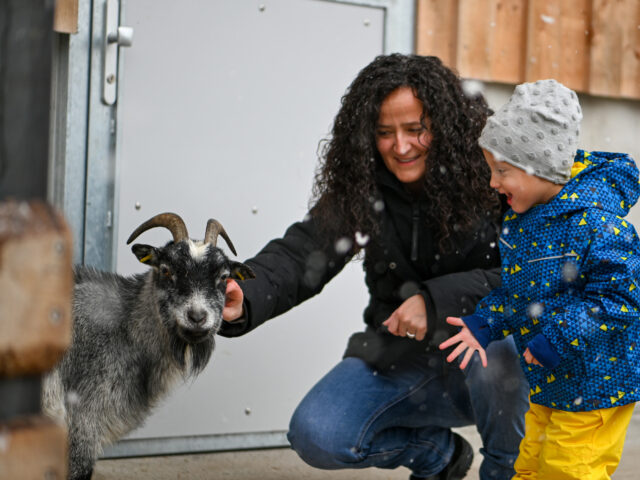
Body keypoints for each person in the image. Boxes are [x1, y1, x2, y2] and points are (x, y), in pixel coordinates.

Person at [221, 54, 529, 480]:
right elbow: (302, 251)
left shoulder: (495, 177)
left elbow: (533, 275)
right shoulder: (363, 188)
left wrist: (434, 301)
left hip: (488, 368)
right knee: (318, 433)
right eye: (385, 133)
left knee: (499, 347)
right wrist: (245, 292)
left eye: (415, 129)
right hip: (401, 358)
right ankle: (438, 456)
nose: (400, 147)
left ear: (443, 124)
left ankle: (506, 472)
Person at [440, 79, 640, 479]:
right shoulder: (525, 222)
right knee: (530, 465)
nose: (493, 183)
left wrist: (558, 335)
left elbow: (622, 299)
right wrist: (487, 321)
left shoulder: (597, 224)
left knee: (567, 471)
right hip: (551, 383)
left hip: (596, 385)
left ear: (539, 167)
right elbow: (520, 292)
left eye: (502, 171)